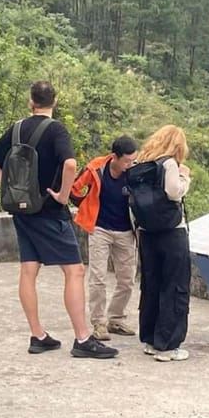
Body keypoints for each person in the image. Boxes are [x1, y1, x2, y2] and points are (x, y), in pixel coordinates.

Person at [0, 81, 118, 360]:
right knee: (74, 271)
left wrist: (6, 189)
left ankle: (38, 335)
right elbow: (70, 164)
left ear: (30, 101)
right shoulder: (56, 130)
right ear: (54, 102)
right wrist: (63, 195)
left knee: (28, 270)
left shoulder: (18, 128)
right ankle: (83, 338)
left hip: (22, 210)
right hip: (48, 211)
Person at [70, 136, 139, 341]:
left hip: (127, 231)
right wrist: (86, 205)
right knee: (98, 278)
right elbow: (75, 189)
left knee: (127, 279)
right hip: (100, 228)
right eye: (127, 161)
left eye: (133, 160)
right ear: (114, 157)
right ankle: (99, 322)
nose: (130, 165)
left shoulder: (135, 173)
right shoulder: (96, 168)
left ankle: (116, 318)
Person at [134, 125, 192, 362]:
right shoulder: (168, 164)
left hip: (147, 233)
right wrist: (184, 176)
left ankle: (150, 338)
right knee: (174, 286)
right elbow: (174, 192)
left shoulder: (141, 164)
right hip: (171, 233)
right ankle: (168, 345)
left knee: (151, 285)